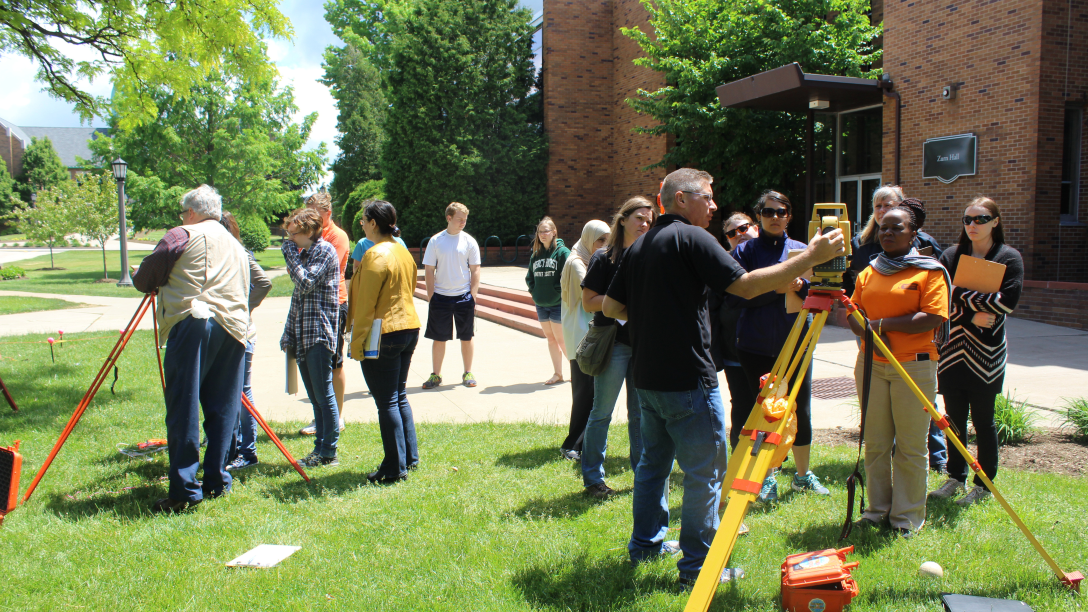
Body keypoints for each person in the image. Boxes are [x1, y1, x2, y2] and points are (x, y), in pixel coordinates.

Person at [602, 168, 845, 587]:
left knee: (652, 465)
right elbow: (747, 288)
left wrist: (656, 315)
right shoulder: (693, 237)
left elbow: (609, 306)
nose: (715, 206)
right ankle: (698, 569)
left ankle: (645, 545)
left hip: (647, 379)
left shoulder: (640, 245)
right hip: (689, 381)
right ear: (681, 199)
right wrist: (811, 258)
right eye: (708, 198)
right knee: (706, 474)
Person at [132, 184, 251, 513]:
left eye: (185, 211)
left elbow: (146, 278)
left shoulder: (182, 234)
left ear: (194, 212)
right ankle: (216, 479)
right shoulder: (237, 245)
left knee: (183, 407)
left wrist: (137, 275)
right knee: (223, 408)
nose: (183, 217)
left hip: (195, 321)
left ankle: (184, 490)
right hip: (234, 329)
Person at [847, 198, 949, 538]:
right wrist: (867, 329)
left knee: (910, 445)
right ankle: (877, 510)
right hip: (872, 365)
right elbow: (853, 313)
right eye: (884, 227)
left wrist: (880, 326)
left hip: (914, 367)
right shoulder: (868, 271)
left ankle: (906, 517)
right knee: (875, 442)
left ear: (913, 233)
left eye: (897, 227)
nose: (888, 232)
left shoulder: (929, 271)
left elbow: (931, 317)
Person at [730, 191, 829, 502]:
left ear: (789, 216)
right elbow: (737, 295)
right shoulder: (744, 251)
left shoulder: (804, 250)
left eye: (781, 212)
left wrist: (803, 286)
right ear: (759, 216)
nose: (775, 217)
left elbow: (825, 290)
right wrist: (776, 290)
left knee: (801, 410)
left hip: (797, 341)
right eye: (768, 212)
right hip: (755, 344)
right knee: (763, 411)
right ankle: (766, 477)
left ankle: (802, 475)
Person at [930, 197, 1023, 506]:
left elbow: (1006, 303)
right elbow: (940, 298)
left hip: (987, 355)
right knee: (954, 420)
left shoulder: (1009, 258)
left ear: (995, 221)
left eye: (980, 219)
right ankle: (955, 477)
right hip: (953, 350)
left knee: (983, 421)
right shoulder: (951, 255)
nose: (972, 225)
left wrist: (960, 296)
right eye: (967, 219)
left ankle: (984, 484)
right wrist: (971, 311)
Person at [580, 197, 654, 497]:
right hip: (612, 345)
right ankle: (593, 479)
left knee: (641, 414)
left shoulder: (651, 256)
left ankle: (643, 477)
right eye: (639, 217)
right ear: (622, 220)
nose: (645, 224)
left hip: (643, 344)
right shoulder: (604, 258)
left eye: (650, 220)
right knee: (602, 413)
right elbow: (588, 301)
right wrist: (628, 310)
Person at [349, 200, 422, 483]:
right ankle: (408, 459)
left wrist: (356, 344)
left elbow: (365, 305)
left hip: (385, 332)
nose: (362, 225)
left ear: (374, 223)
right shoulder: (403, 252)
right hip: (408, 327)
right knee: (398, 396)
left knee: (387, 401)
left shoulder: (375, 255)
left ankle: (394, 467)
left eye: (364, 220)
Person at [281, 208, 342, 468]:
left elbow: (305, 282)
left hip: (319, 333)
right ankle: (319, 449)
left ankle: (329, 451)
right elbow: (299, 298)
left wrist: (290, 257)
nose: (289, 239)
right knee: (315, 397)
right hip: (303, 333)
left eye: (293, 234)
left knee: (323, 394)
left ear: (308, 231)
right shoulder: (305, 252)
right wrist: (289, 333)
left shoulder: (324, 250)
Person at [218, 212, 272, 472]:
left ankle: (247, 452)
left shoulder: (239, 252)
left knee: (241, 394)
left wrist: (242, 309)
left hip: (240, 333)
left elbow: (263, 282)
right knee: (224, 392)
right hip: (226, 332)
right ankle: (229, 449)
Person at [299, 191, 350, 436]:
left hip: (334, 304)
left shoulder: (337, 237)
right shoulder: (310, 235)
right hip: (311, 305)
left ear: (327, 214)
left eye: (313, 214)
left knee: (334, 361)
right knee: (314, 364)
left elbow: (317, 271)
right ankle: (320, 415)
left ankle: (336, 417)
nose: (307, 219)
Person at [558, 219, 610, 461]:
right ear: (589, 238)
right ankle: (572, 445)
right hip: (582, 335)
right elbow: (594, 295)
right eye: (600, 240)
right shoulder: (578, 263)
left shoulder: (586, 258)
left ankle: (579, 443)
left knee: (588, 391)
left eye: (607, 240)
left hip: (583, 332)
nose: (604, 245)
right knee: (584, 392)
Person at [421, 202, 482, 390]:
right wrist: (431, 295)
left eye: (465, 219)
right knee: (439, 337)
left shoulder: (469, 241)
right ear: (449, 218)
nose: (463, 222)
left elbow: (476, 269)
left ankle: (468, 372)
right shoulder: (436, 241)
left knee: (467, 336)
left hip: (463, 297)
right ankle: (436, 375)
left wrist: (472, 295)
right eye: (459, 219)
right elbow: (429, 269)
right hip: (440, 297)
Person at [714, 212, 758, 450]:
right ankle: (740, 452)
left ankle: (773, 460)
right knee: (741, 403)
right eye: (731, 234)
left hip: (769, 348)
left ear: (756, 228)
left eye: (743, 228)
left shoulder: (775, 259)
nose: (738, 235)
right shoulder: (722, 266)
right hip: (735, 352)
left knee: (771, 405)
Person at [525, 216, 570, 385]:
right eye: (540, 232)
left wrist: (558, 292)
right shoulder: (536, 254)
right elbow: (529, 277)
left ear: (554, 232)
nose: (543, 234)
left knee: (561, 339)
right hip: (541, 304)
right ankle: (558, 373)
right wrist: (535, 292)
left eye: (546, 231)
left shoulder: (563, 253)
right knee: (550, 339)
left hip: (558, 304)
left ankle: (577, 372)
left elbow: (568, 277)